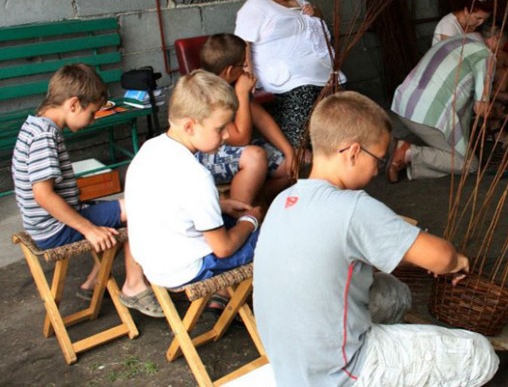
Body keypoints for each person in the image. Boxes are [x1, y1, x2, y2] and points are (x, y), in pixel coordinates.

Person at [252, 91, 499, 386]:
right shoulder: (353, 207)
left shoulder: (282, 201)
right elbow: (442, 257)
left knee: (395, 294)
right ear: (353, 152)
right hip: (339, 372)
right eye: (378, 160)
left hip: (291, 365)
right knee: (480, 354)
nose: (376, 171)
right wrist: (456, 260)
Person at [11, 64, 162, 318]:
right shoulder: (44, 137)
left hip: (52, 222)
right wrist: (88, 229)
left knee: (120, 210)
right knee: (138, 209)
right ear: (73, 104)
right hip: (54, 229)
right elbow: (43, 195)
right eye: (92, 113)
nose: (93, 120)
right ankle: (134, 285)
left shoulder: (35, 126)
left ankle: (93, 283)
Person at [125, 70, 260, 300]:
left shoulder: (150, 149)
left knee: (231, 220)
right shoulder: (196, 176)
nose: (227, 134)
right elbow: (223, 249)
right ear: (189, 126)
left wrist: (222, 205)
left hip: (155, 263)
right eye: (220, 128)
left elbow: (170, 204)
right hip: (188, 269)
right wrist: (251, 221)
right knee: (270, 235)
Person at [234, 0, 346, 149]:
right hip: (286, 74)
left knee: (339, 99)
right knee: (303, 92)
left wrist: (316, 12)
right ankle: (299, 146)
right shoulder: (255, 6)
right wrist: (248, 70)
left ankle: (329, 142)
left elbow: (317, 19)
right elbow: (243, 40)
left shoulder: (297, 0)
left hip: (320, 70)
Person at [389, 25, 502, 183]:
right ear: (494, 40)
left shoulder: (456, 40)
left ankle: (406, 163)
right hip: (428, 115)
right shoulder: (484, 54)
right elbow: (481, 109)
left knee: (454, 158)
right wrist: (497, 111)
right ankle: (408, 152)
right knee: (470, 165)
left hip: (403, 105)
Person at [199, 33, 295, 200]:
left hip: (237, 150)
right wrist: (242, 93)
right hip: (206, 155)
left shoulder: (232, 83)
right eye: (243, 65)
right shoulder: (208, 93)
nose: (246, 69)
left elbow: (262, 119)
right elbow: (240, 139)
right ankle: (240, 212)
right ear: (229, 71)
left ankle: (249, 199)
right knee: (255, 156)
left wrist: (289, 152)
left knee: (290, 169)